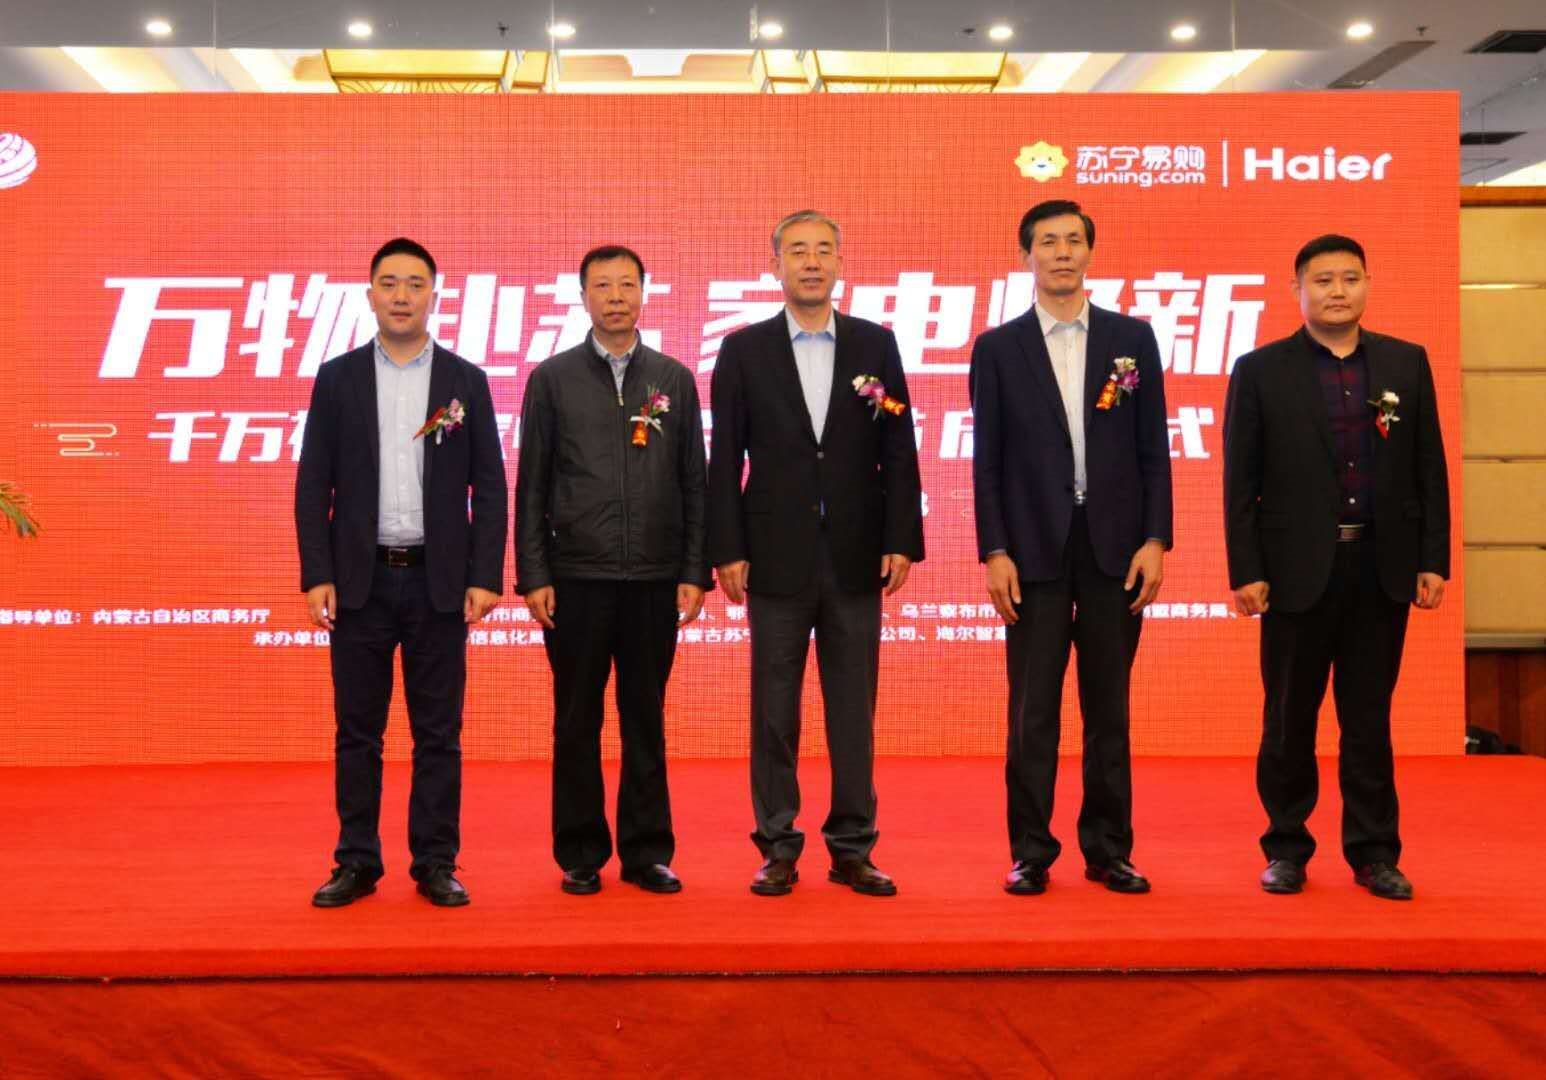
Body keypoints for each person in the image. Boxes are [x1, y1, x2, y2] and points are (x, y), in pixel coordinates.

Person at [1223, 234, 1450, 901]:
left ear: (1368, 284)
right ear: (1297, 290)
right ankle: (1286, 847)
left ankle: (1375, 852)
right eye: (1322, 280)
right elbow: (1240, 482)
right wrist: (1246, 568)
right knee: (1289, 718)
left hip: (1381, 568)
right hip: (1294, 572)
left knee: (1369, 719)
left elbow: (1429, 467)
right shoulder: (1261, 370)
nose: (1338, 291)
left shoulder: (1406, 363)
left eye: (1350, 278)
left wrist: (1431, 558)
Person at [707, 210, 924, 897]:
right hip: (774, 555)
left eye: (823, 250)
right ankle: (777, 844)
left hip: (857, 555)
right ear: (774, 265)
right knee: (774, 712)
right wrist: (727, 548)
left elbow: (898, 447)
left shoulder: (875, 345)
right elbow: (724, 460)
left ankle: (853, 847)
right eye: (797, 251)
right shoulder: (743, 349)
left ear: (839, 262)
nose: (811, 262)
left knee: (853, 710)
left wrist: (901, 538)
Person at [296, 237, 508, 908]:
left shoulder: (464, 381)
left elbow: (490, 486)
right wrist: (317, 572)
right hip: (359, 583)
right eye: (389, 283)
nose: (401, 296)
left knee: (438, 734)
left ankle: (436, 862)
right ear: (370, 296)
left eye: (415, 284)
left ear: (433, 297)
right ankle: (356, 861)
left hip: (437, 581)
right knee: (358, 732)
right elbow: (313, 483)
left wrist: (484, 574)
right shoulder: (338, 378)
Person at [969, 199, 1172, 897]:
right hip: (1032, 552)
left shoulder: (1132, 338)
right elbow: (987, 462)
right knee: (1033, 713)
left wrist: (1156, 538)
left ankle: (1109, 850)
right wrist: (995, 550)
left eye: (1074, 240)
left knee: (1108, 709)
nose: (1062, 252)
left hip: (1116, 548)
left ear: (1090, 251)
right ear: (1026, 255)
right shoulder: (998, 348)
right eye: (1048, 241)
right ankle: (1031, 851)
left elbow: (1153, 450)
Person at [515, 245, 708, 896]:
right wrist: (534, 573)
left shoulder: (673, 378)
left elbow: (694, 481)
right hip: (575, 578)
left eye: (627, 285)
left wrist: (693, 570)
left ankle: (647, 851)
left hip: (654, 578)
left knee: (645, 717)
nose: (616, 297)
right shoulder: (552, 379)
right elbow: (532, 485)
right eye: (603, 286)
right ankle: (580, 852)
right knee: (576, 720)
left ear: (645, 294)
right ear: (583, 297)